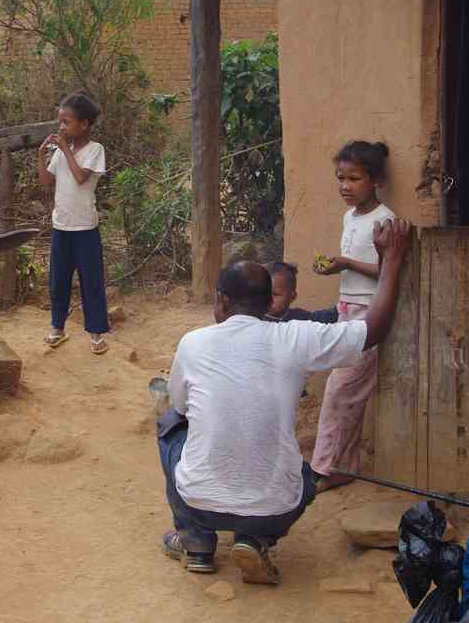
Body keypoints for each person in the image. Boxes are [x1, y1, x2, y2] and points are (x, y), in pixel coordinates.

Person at [158, 217, 410, 585]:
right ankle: (256, 539)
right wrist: (393, 260)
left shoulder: (193, 343)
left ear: (221, 302)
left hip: (199, 501)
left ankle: (195, 541)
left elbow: (180, 408)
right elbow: (375, 329)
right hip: (275, 509)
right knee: (303, 475)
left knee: (170, 427)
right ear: (266, 303)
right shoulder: (295, 338)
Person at [311, 140, 395, 492]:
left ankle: (324, 469)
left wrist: (345, 263)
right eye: (341, 179)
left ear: (374, 180)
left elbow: (388, 271)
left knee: (339, 391)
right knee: (348, 393)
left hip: (368, 317)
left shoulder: (385, 219)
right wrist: (336, 267)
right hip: (347, 311)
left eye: (354, 179)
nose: (345, 186)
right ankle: (346, 465)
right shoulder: (350, 217)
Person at [37, 92, 109, 355]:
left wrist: (65, 149)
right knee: (58, 281)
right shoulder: (59, 152)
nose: (61, 127)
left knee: (91, 281)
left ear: (84, 124)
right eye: (60, 121)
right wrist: (41, 154)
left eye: (66, 122)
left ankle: (96, 332)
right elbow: (46, 181)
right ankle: (57, 327)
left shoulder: (95, 150)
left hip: (85, 229)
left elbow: (80, 178)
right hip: (61, 227)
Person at [264, 261, 338, 324]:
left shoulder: (299, 317)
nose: (267, 299)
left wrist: (340, 309)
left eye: (275, 294)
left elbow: (322, 317)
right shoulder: (257, 320)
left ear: (292, 297)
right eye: (263, 293)